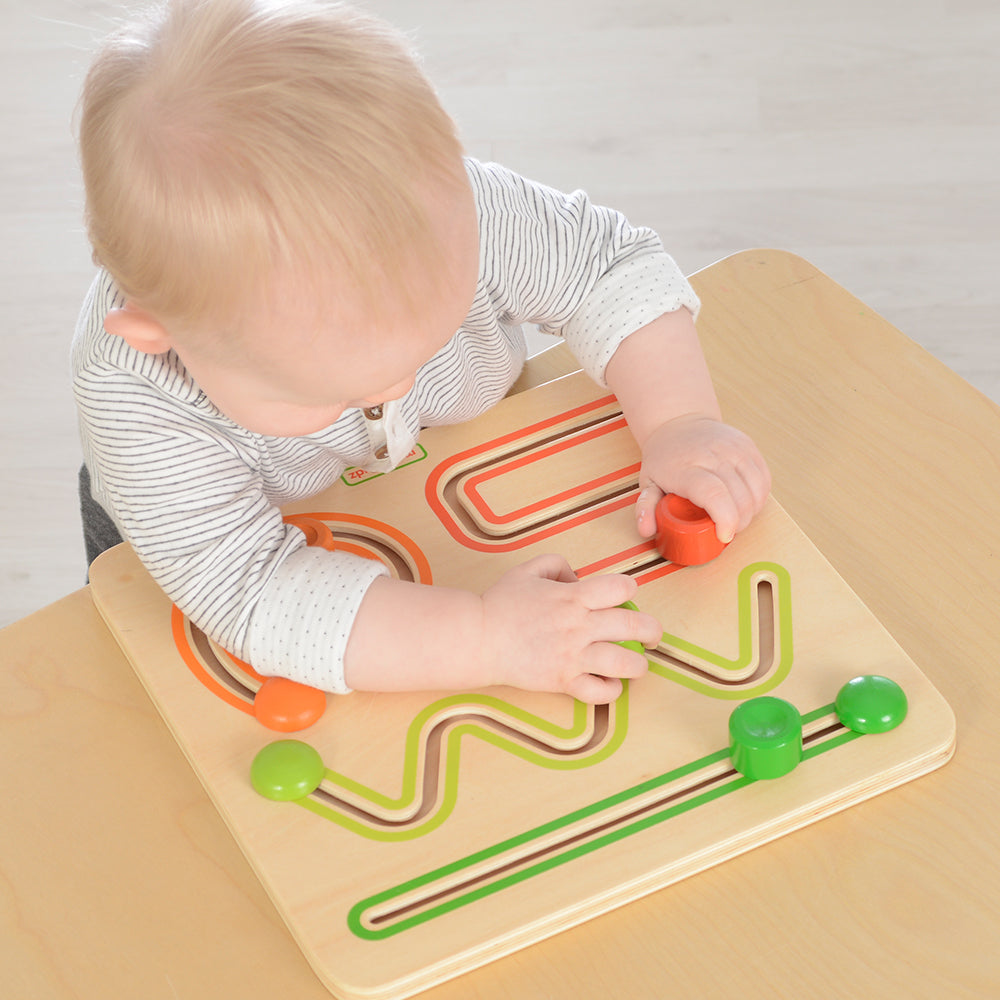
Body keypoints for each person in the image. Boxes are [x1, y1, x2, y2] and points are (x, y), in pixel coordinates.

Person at [74, 0, 771, 705]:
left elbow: (610, 270)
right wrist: (485, 640)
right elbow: (254, 593)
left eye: (429, 344)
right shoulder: (136, 405)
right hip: (212, 531)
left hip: (456, 460)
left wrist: (680, 421)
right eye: (332, 393)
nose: (396, 387)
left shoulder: (448, 209)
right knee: (133, 702)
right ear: (159, 336)